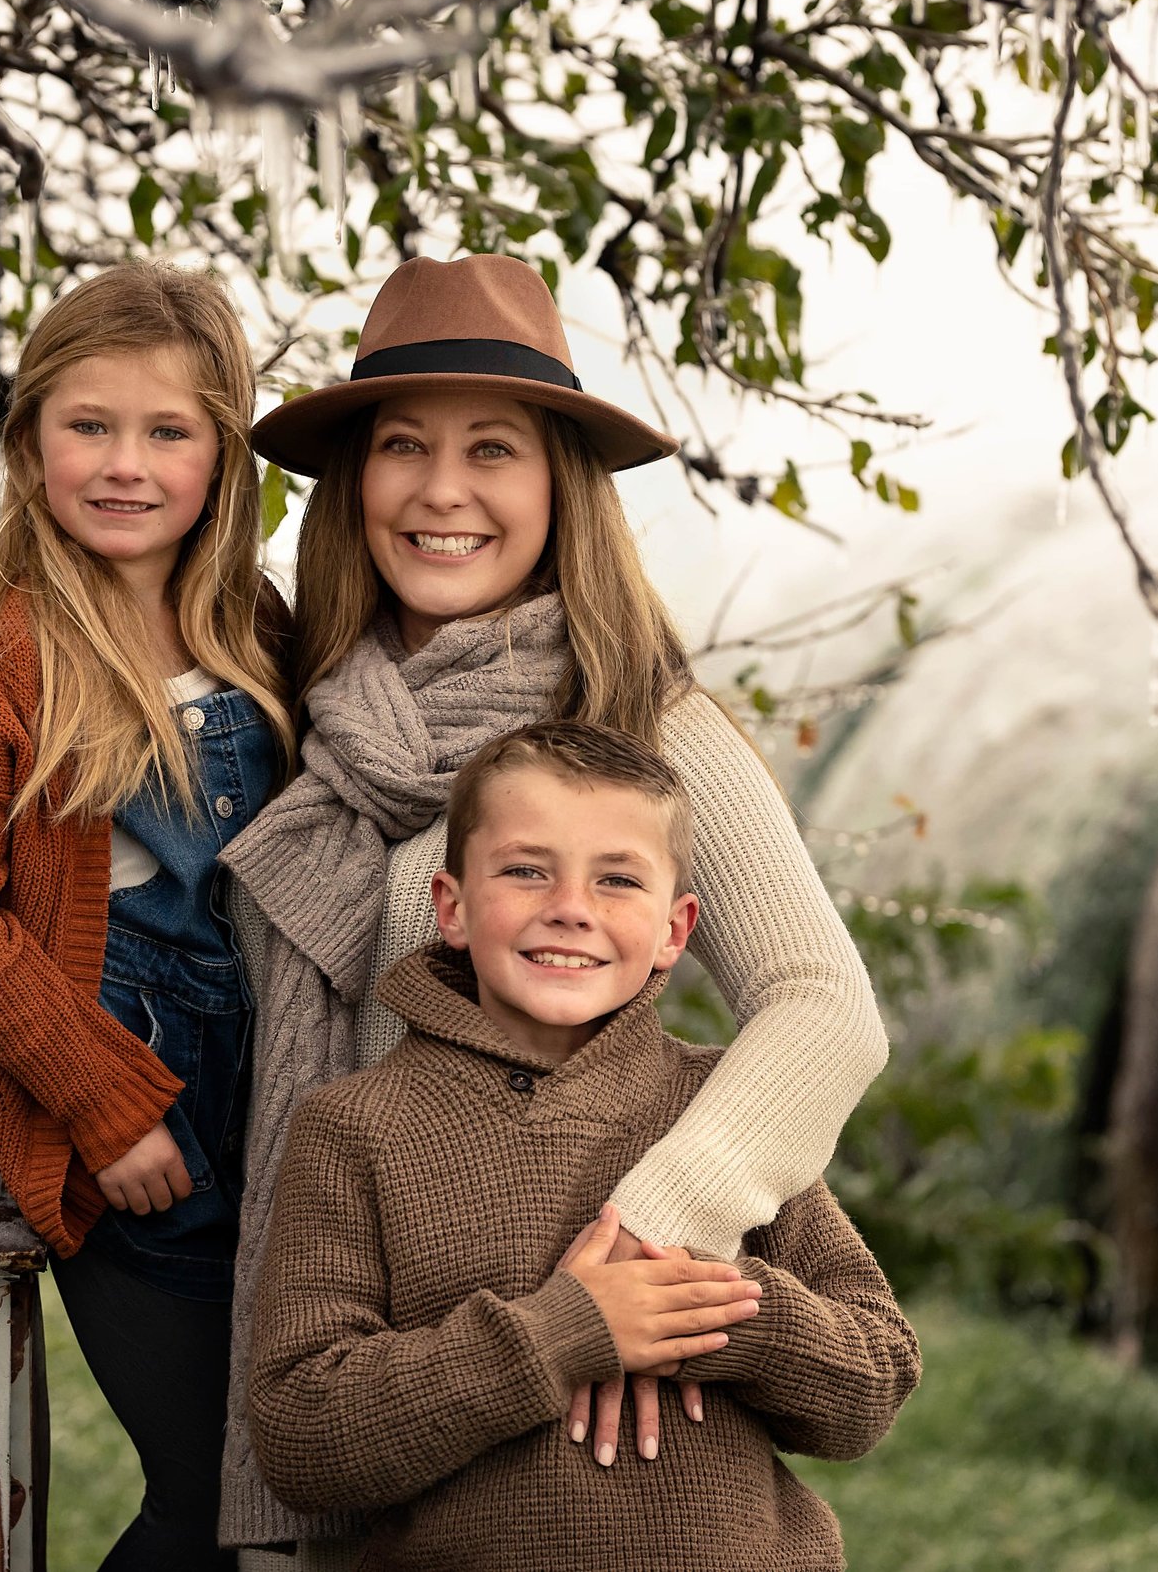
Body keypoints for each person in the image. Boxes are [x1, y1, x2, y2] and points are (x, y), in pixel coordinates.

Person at [218, 253, 890, 1555]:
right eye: (402, 444)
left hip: (592, 1411)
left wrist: (656, 1236)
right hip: (359, 1349)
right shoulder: (301, 709)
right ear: (356, 477)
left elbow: (825, 1006)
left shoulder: (641, 715)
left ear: (559, 487)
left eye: (494, 449)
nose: (443, 488)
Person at [246, 721, 919, 1569]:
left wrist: (700, 1310)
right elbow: (305, 1434)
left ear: (677, 930)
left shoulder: (724, 1111)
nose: (571, 906)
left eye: (617, 879)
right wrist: (563, 1331)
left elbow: (875, 1378)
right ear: (449, 905)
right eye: (527, 869)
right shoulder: (355, 1128)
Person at [0, 262, 292, 1572]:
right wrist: (104, 1104)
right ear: (28, 442)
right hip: (116, 1098)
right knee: (209, 1494)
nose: (127, 464)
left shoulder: (251, 622)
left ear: (223, 454)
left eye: (168, 431)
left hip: (267, 1080)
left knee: (294, 1480)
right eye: (89, 425)